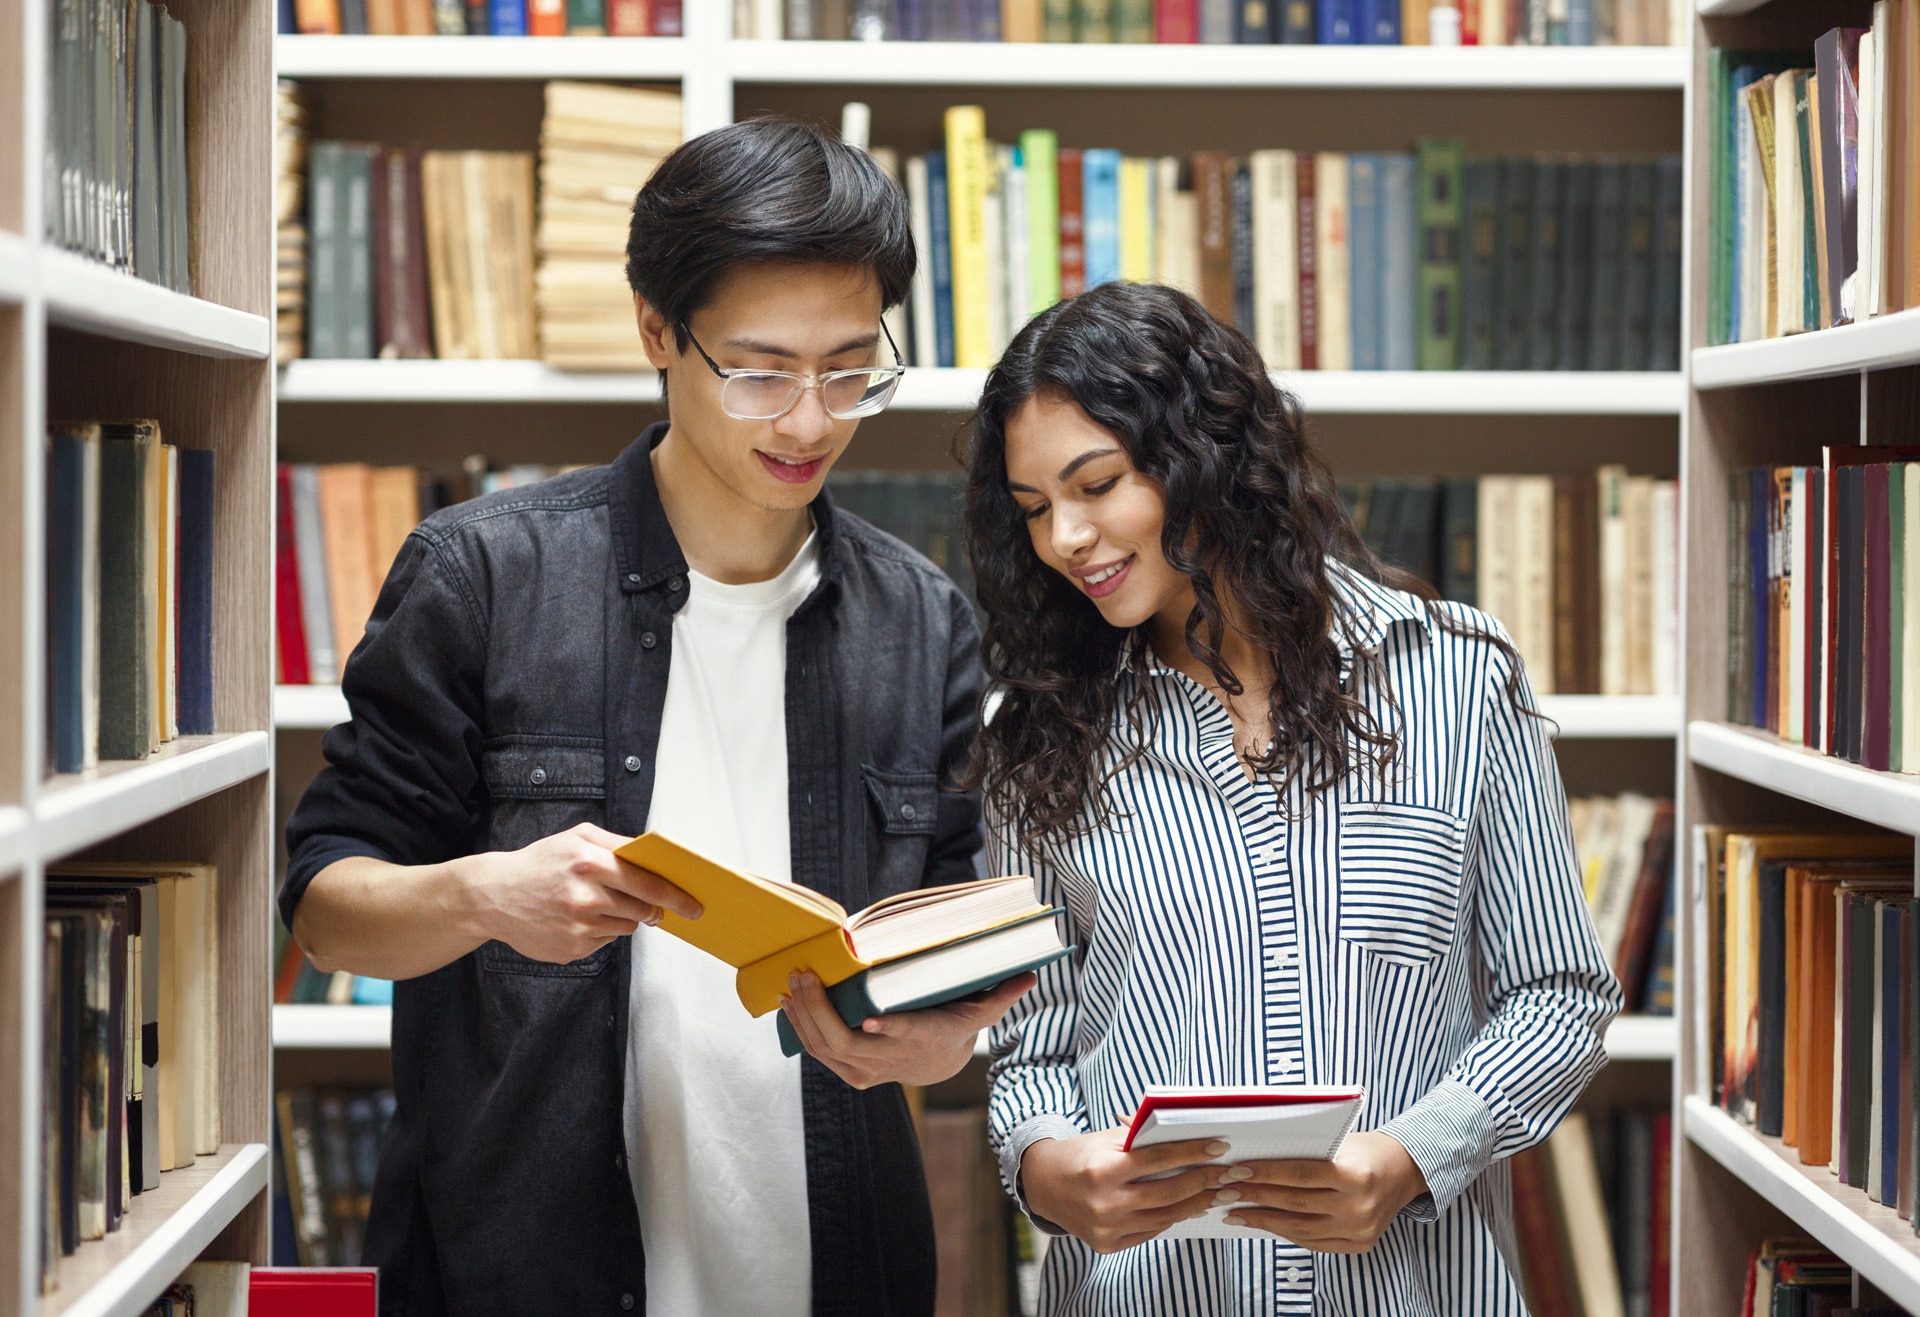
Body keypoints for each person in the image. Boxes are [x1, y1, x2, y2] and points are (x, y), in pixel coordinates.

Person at [282, 117, 1030, 1317]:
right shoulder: (482, 579)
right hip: (524, 1274)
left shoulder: (923, 619)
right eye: (760, 369)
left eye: (851, 368)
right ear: (655, 332)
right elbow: (325, 910)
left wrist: (944, 1043)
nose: (810, 421)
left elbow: (956, 943)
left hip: (840, 1267)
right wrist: (485, 897)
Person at [964, 282, 1623, 1314]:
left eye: (1097, 485)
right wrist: (1048, 1171)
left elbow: (1558, 997)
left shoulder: (1456, 678)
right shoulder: (1043, 740)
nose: (1067, 539)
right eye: (1036, 510)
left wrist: (1412, 1158)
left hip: (1413, 1288)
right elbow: (1030, 1046)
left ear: (1202, 457)